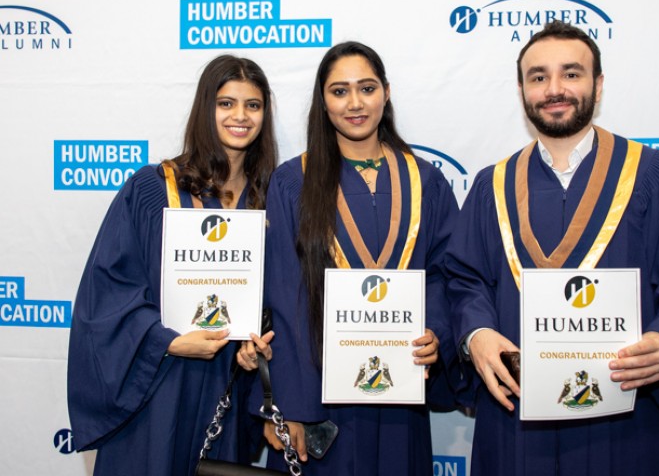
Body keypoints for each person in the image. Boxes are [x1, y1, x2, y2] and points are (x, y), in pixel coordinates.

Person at [445, 21, 659, 475]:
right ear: (522, 90)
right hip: (517, 420)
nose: (554, 89)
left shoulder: (654, 175)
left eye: (571, 73)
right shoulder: (493, 185)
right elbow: (462, 280)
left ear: (598, 84)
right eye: (538, 76)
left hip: (627, 417)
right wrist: (476, 335)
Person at [250, 41, 459, 474]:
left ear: (386, 92)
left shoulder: (426, 182)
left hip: (401, 389)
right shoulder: (293, 183)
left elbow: (444, 274)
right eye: (339, 91)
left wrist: (435, 332)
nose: (355, 103)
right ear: (322, 102)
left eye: (366, 88)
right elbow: (286, 298)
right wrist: (291, 406)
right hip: (321, 401)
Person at [67, 55, 278, 476]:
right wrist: (166, 340)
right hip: (158, 385)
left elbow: (275, 298)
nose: (240, 116)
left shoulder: (271, 199)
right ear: (205, 108)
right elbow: (108, 292)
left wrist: (256, 348)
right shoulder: (153, 190)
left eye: (253, 105)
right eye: (226, 103)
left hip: (226, 389)